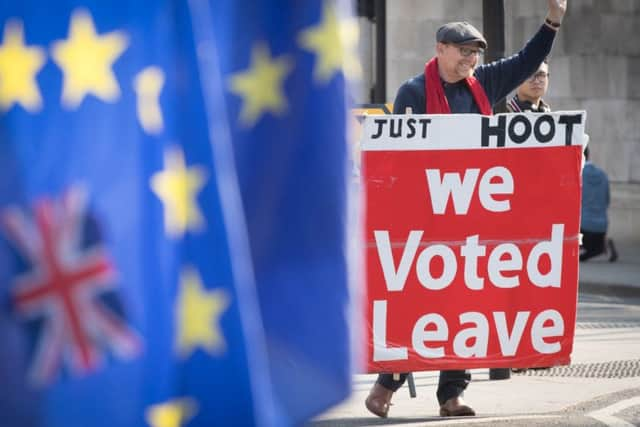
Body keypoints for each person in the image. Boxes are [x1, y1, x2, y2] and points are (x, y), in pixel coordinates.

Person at [364, 0, 567, 419]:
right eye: (463, 52)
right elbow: (400, 163)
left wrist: (553, 20)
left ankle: (451, 395)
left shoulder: (485, 83)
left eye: (476, 53)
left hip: (472, 217)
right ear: (440, 49)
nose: (471, 60)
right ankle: (386, 384)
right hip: (423, 218)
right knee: (417, 305)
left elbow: (529, 58)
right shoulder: (413, 93)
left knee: (464, 305)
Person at [580, 146, 618, 262]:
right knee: (592, 247)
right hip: (601, 226)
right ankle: (602, 244)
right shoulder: (603, 175)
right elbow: (607, 201)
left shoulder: (578, 175)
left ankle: (597, 248)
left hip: (582, 228)